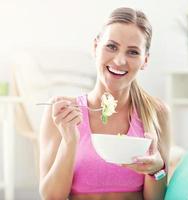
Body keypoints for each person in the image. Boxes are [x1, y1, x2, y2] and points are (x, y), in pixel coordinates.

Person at [39, 7, 170, 200]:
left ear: (145, 61)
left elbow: (156, 199)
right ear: (95, 47)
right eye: (111, 46)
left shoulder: (156, 112)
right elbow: (51, 197)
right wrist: (69, 141)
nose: (119, 60)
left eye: (133, 52)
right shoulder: (62, 112)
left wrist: (157, 169)